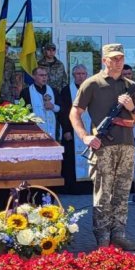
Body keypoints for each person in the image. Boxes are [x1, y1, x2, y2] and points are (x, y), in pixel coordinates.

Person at [70, 43, 135, 250]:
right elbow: (75, 113)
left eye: (121, 58)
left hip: (126, 145)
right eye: (114, 58)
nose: (118, 62)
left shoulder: (130, 85)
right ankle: (102, 238)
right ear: (104, 60)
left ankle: (118, 234)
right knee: (103, 193)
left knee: (122, 193)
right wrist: (85, 136)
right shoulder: (92, 83)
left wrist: (130, 106)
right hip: (103, 146)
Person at [59, 64, 93, 194]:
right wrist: (66, 130)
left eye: (83, 74)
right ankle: (73, 188)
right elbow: (63, 112)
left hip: (90, 129)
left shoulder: (92, 88)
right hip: (72, 131)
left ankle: (90, 186)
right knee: (71, 160)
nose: (81, 76)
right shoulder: (66, 91)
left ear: (86, 75)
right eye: (78, 74)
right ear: (73, 75)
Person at [19, 67, 60, 139]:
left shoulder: (54, 91)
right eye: (41, 75)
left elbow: (62, 109)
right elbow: (22, 112)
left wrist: (53, 106)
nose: (44, 77)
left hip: (52, 128)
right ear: (34, 76)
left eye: (46, 75)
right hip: (33, 130)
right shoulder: (26, 92)